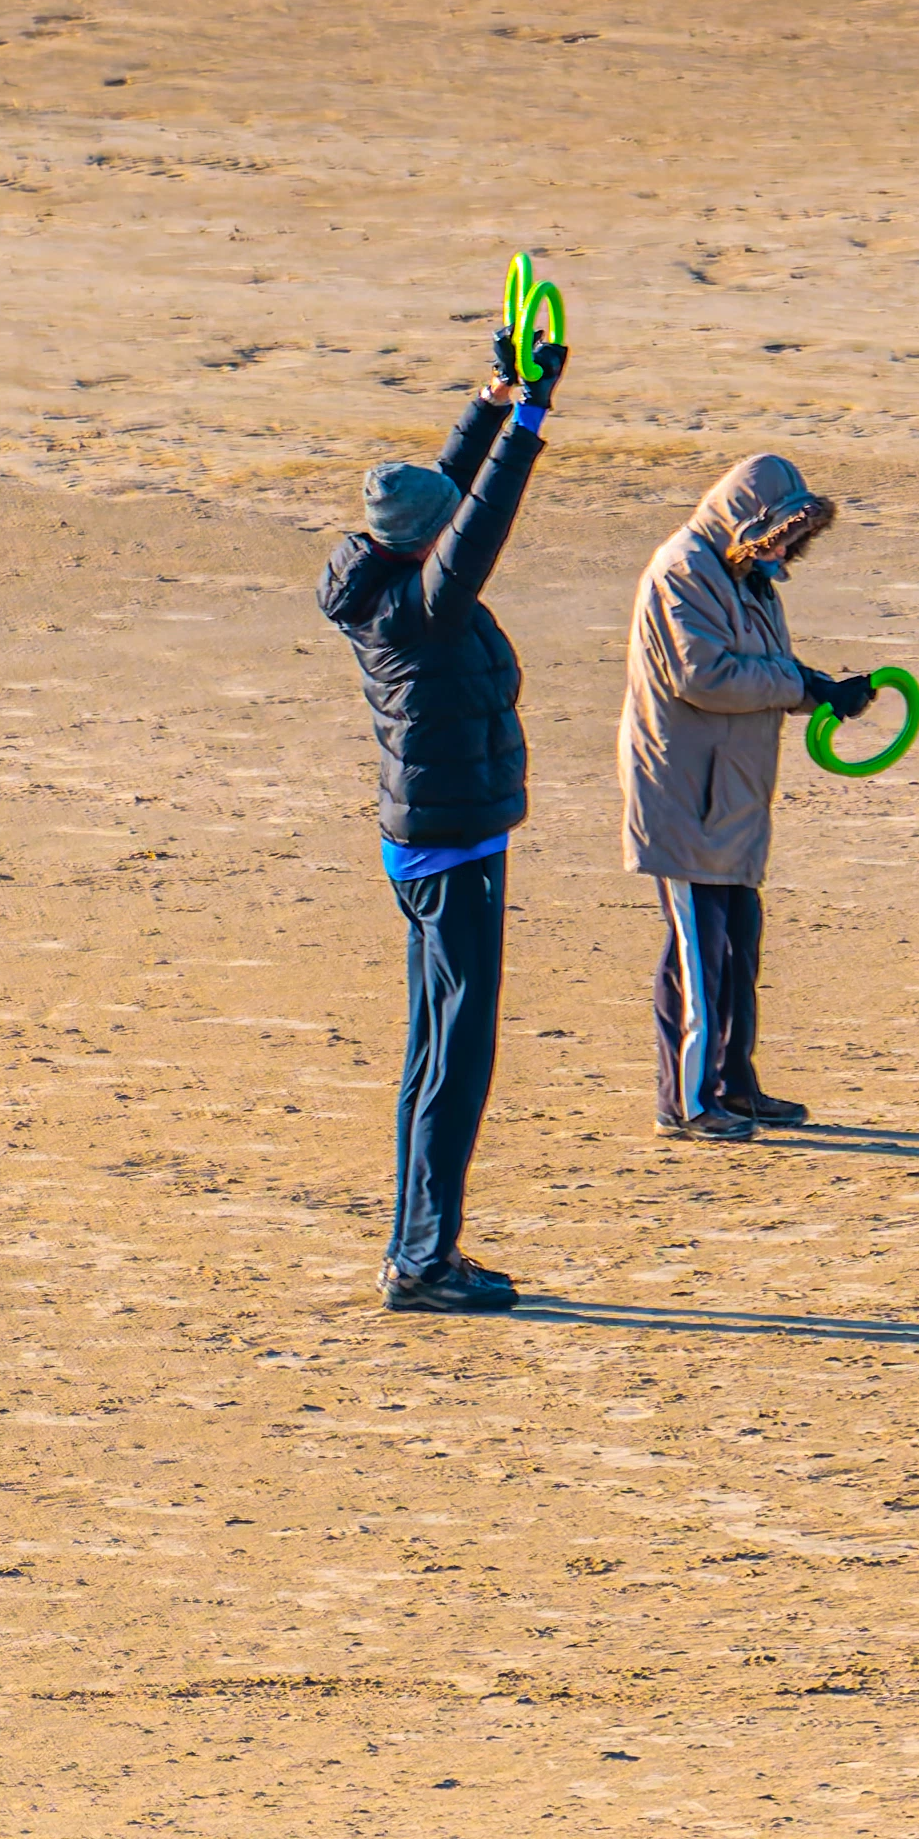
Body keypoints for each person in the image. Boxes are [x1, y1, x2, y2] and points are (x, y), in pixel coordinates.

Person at [320, 297, 559, 1314]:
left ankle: (418, 1246)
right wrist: (535, 421)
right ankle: (422, 1260)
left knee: (432, 1049)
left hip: (424, 842)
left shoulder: (377, 571)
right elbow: (481, 520)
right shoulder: (423, 609)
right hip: (453, 848)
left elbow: (444, 500)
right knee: (456, 1062)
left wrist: (490, 397)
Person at [611, 450, 885, 1141]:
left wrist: (819, 684)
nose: (791, 547)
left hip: (731, 797)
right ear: (753, 520)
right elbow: (703, 676)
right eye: (786, 532)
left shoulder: (746, 577)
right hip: (686, 797)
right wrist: (802, 688)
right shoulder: (684, 571)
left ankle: (735, 1084)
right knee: (699, 957)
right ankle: (687, 1104)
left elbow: (761, 664)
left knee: (738, 948)